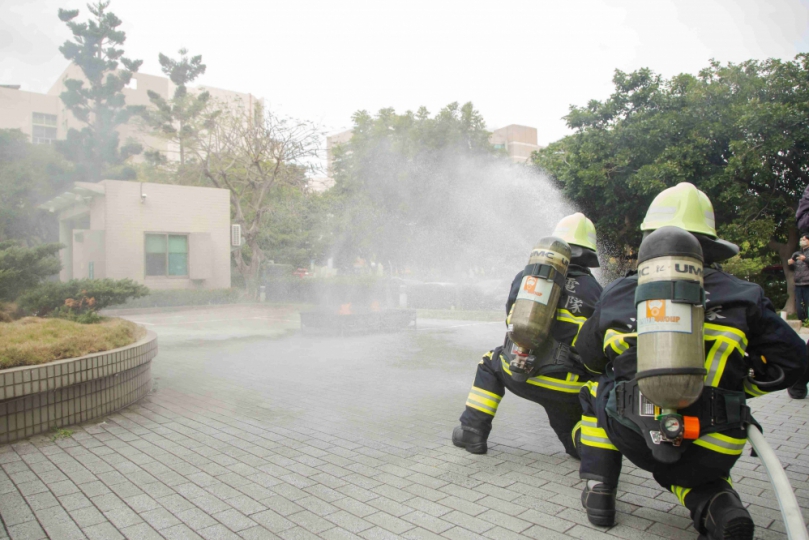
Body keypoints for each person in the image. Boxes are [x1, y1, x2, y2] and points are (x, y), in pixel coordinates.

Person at [575, 183, 806, 540]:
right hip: (717, 441)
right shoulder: (746, 294)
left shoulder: (618, 292)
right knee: (695, 469)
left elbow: (586, 357)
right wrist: (737, 388)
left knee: (594, 387)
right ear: (710, 246)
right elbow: (795, 363)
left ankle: (599, 489)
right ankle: (719, 506)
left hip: (636, 432)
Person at [452, 213, 603, 458]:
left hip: (521, 372)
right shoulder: (596, 290)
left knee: (490, 363)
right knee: (572, 431)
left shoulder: (529, 276)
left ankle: (472, 431)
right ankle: (588, 449)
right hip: (568, 386)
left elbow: (511, 319)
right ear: (589, 253)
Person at [787, 234, 809, 322]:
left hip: (808, 283)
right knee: (799, 304)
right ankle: (802, 320)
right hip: (798, 283)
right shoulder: (796, 254)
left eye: (804, 239)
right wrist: (790, 264)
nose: (802, 241)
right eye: (801, 239)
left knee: (808, 303)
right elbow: (793, 269)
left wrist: (805, 259)